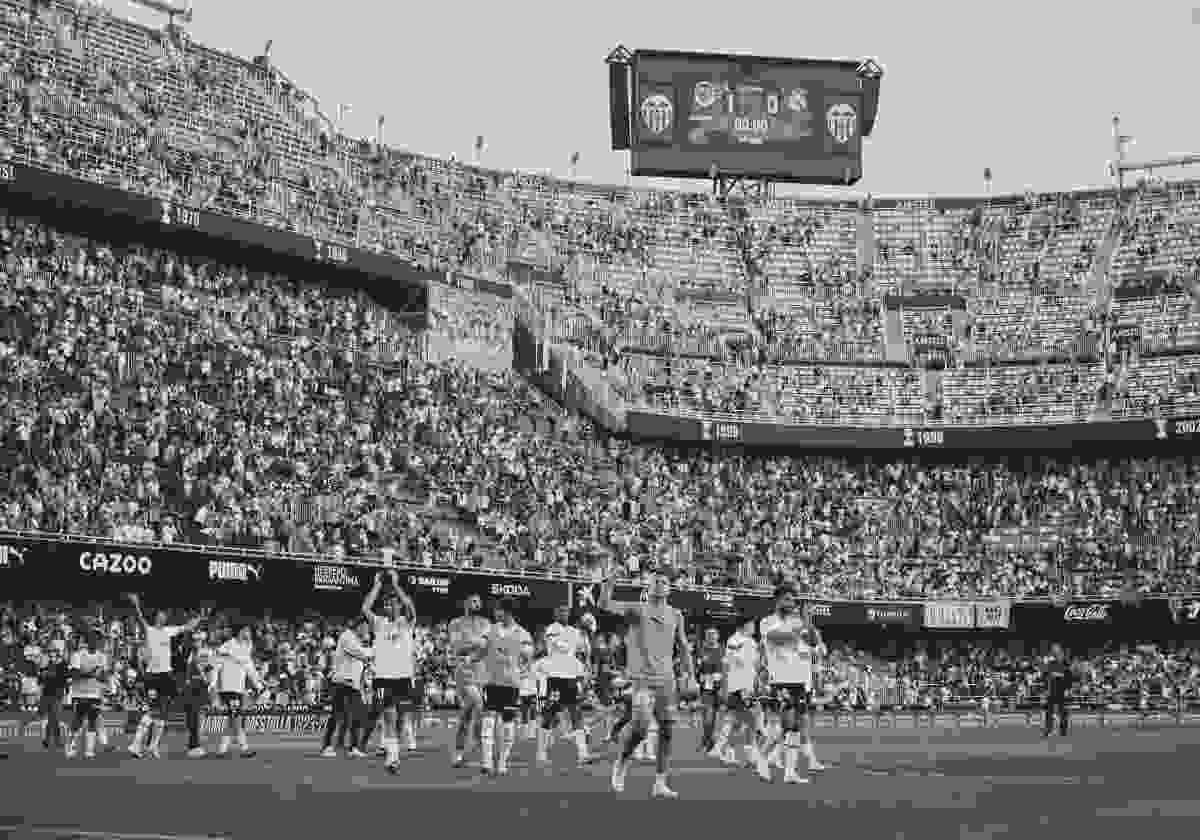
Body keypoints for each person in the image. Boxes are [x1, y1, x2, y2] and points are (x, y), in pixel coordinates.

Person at [600, 571, 697, 799]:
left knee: (667, 731)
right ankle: (621, 763)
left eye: (664, 582)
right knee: (641, 727)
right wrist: (608, 585)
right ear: (648, 586)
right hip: (642, 679)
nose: (660, 584)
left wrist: (690, 675)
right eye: (656, 581)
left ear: (670, 589)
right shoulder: (637, 609)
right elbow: (604, 604)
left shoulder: (676, 614)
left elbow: (683, 646)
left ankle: (660, 783)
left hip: (667, 680)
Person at [757, 586, 825, 784]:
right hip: (780, 679)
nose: (792, 603)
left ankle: (790, 772)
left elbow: (813, 641)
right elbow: (777, 638)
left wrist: (809, 622)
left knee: (795, 727)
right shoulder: (767, 621)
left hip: (800, 679)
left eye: (793, 600)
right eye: (787, 599)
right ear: (777, 601)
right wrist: (799, 629)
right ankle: (762, 757)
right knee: (786, 726)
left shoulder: (798, 621)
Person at [127, 594, 204, 759]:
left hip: (167, 676)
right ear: (155, 618)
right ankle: (135, 744)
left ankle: (153, 747)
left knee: (162, 711)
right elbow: (140, 619)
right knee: (154, 710)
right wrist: (136, 605)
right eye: (160, 616)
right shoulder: (149, 630)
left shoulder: (169, 631)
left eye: (164, 616)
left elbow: (186, 627)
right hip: (152, 676)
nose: (163, 618)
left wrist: (199, 617)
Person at [362, 571, 417, 773]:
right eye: (386, 605)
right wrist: (377, 585)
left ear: (398, 606)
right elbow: (365, 608)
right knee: (389, 716)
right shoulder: (379, 623)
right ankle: (393, 758)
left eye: (393, 604)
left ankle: (395, 751)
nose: (389, 607)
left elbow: (410, 607)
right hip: (382, 679)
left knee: (401, 718)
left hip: (403, 678)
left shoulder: (406, 622)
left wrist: (395, 585)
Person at [479, 598, 533, 776]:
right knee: (488, 721)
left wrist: (522, 671)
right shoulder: (490, 629)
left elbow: (528, 657)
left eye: (498, 610)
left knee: (508, 724)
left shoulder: (522, 633)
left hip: (511, 685)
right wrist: (472, 657)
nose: (495, 613)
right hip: (491, 682)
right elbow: (482, 648)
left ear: (507, 612)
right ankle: (486, 763)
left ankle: (502, 761)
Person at [537, 604, 592, 767]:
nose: (563, 613)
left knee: (576, 714)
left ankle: (583, 754)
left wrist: (587, 633)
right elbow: (562, 647)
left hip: (570, 679)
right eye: (560, 610)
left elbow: (583, 650)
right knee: (549, 716)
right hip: (554, 678)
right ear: (555, 613)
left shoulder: (575, 632)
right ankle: (541, 753)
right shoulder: (551, 629)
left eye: (566, 611)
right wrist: (580, 634)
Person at [710, 617, 762, 767]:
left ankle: (725, 750)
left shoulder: (752, 642)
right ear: (744, 625)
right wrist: (725, 686)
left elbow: (754, 665)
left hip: (749, 685)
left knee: (738, 722)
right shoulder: (734, 640)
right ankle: (749, 753)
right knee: (752, 719)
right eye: (752, 624)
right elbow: (727, 664)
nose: (754, 627)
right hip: (739, 686)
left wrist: (757, 680)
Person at [321, 614, 373, 758]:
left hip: (353, 685)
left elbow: (361, 662)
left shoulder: (357, 639)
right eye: (366, 627)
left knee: (357, 716)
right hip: (341, 682)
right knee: (336, 716)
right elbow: (358, 653)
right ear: (359, 626)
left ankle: (354, 748)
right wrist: (376, 653)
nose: (367, 630)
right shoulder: (347, 637)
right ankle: (327, 746)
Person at [448, 594, 491, 768]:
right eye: (473, 601)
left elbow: (488, 646)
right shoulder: (455, 623)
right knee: (479, 705)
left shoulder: (486, 623)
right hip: (463, 671)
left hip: (482, 671)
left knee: (466, 714)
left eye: (479, 601)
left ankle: (459, 752)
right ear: (465, 603)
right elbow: (457, 647)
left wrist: (473, 644)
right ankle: (479, 747)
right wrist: (478, 643)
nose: (477, 604)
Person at [214, 625, 261, 758]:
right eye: (246, 631)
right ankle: (244, 749)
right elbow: (217, 657)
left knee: (232, 720)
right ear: (240, 632)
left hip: (238, 688)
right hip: (229, 687)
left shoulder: (247, 647)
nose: (249, 633)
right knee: (236, 719)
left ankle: (222, 750)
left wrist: (258, 684)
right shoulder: (228, 644)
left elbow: (249, 667)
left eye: (249, 631)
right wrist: (214, 684)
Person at [65, 630, 109, 760]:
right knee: (77, 720)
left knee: (92, 720)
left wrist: (101, 677)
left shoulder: (102, 657)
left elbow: (103, 676)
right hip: (79, 693)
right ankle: (70, 747)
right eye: (92, 639)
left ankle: (89, 751)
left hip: (95, 693)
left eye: (98, 640)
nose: (95, 642)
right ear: (87, 641)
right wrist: (91, 673)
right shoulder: (77, 655)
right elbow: (74, 674)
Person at [182, 630, 217, 758]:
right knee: (190, 717)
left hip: (200, 687)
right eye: (194, 640)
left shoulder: (206, 652)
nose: (195, 642)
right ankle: (192, 745)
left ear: (203, 641)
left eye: (198, 640)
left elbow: (210, 670)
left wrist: (210, 686)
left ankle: (196, 745)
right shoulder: (192, 653)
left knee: (197, 717)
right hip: (191, 687)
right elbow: (188, 670)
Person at [696, 626, 725, 758]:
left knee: (718, 719)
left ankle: (713, 743)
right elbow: (696, 668)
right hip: (706, 688)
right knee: (707, 717)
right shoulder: (701, 650)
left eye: (713, 635)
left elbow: (728, 667)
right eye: (709, 635)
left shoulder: (723, 650)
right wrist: (699, 677)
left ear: (718, 637)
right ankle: (708, 741)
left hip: (722, 688)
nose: (711, 637)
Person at [38, 648, 69, 751]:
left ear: (58, 657)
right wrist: (44, 675)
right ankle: (51, 740)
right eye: (50, 656)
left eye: (54, 656)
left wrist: (48, 674)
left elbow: (64, 680)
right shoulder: (46, 666)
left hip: (57, 695)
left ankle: (52, 740)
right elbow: (40, 680)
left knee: (54, 718)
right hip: (46, 694)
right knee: (51, 718)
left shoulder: (62, 666)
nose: (52, 658)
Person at [1042, 643, 1074, 738]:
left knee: (1063, 712)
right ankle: (1048, 730)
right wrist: (1045, 689)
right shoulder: (1050, 664)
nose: (1055, 651)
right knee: (1049, 712)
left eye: (1056, 649)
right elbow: (1046, 677)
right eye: (1053, 650)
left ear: (1060, 651)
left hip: (1062, 690)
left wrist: (1068, 689)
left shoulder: (1066, 663)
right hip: (1051, 690)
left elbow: (1069, 677)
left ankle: (1063, 732)